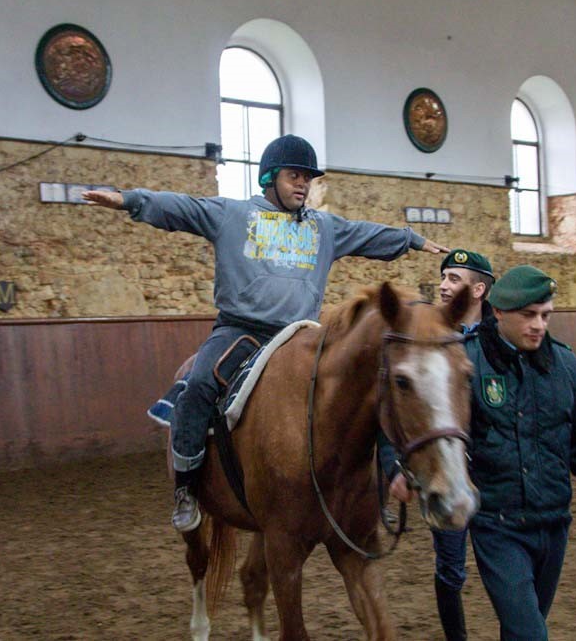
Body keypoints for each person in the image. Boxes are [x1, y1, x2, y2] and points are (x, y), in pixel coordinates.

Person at [82, 134, 446, 532]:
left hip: (301, 335)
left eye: (307, 178)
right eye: (294, 176)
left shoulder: (323, 227)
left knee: (364, 390)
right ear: (270, 178)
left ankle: (370, 494)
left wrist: (409, 239)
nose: (303, 185)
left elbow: (366, 234)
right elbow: (181, 207)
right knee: (200, 384)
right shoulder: (231, 215)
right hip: (242, 331)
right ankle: (186, 487)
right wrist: (130, 200)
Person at [465, 265, 576, 640]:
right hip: (497, 527)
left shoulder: (566, 367)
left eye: (545, 316)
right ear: (498, 311)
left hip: (554, 526)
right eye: (528, 316)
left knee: (523, 629)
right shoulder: (467, 363)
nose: (539, 326)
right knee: (531, 634)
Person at [381, 248, 495, 641]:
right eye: (443, 278)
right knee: (451, 570)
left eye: (455, 279)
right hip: (443, 471)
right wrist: (395, 469)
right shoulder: (422, 333)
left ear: (477, 290)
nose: (444, 286)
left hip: (495, 473)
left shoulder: (499, 338)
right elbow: (395, 412)